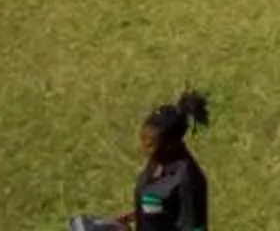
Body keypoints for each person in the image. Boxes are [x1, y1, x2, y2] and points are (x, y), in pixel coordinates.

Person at [69, 89, 210, 231]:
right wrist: (131, 217)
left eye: (150, 145)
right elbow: (162, 208)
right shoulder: (158, 163)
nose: (142, 148)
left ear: (171, 144)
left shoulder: (188, 180)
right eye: (142, 139)